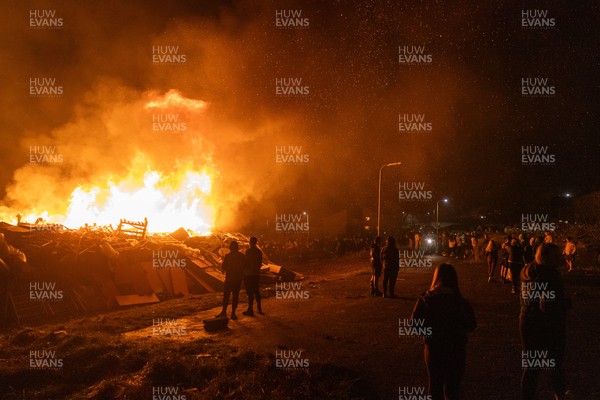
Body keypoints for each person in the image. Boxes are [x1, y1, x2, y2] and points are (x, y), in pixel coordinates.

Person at [411, 263, 477, 400]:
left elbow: (414, 324)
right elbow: (471, 325)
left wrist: (430, 332)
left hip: (434, 349)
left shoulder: (425, 299)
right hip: (456, 349)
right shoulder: (461, 302)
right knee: (452, 388)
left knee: (435, 386)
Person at [520, 243, 570, 400]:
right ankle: (560, 395)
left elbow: (531, 299)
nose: (560, 258)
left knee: (532, 366)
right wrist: (565, 304)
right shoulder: (548, 275)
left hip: (528, 322)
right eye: (556, 256)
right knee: (554, 364)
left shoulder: (528, 271)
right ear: (545, 257)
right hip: (547, 325)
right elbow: (546, 305)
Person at [216, 241, 246, 320]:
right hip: (237, 279)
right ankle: (233, 313)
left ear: (230, 247)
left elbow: (224, 267)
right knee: (235, 296)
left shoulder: (228, 256)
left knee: (226, 295)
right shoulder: (242, 256)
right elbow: (245, 266)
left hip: (229, 279)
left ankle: (224, 312)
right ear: (237, 247)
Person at [243, 237, 263, 316]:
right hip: (256, 274)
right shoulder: (259, 252)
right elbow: (260, 263)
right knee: (256, 290)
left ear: (250, 242)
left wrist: (245, 270)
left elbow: (246, 262)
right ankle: (259, 307)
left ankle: (250, 309)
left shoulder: (248, 252)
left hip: (249, 274)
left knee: (250, 292)